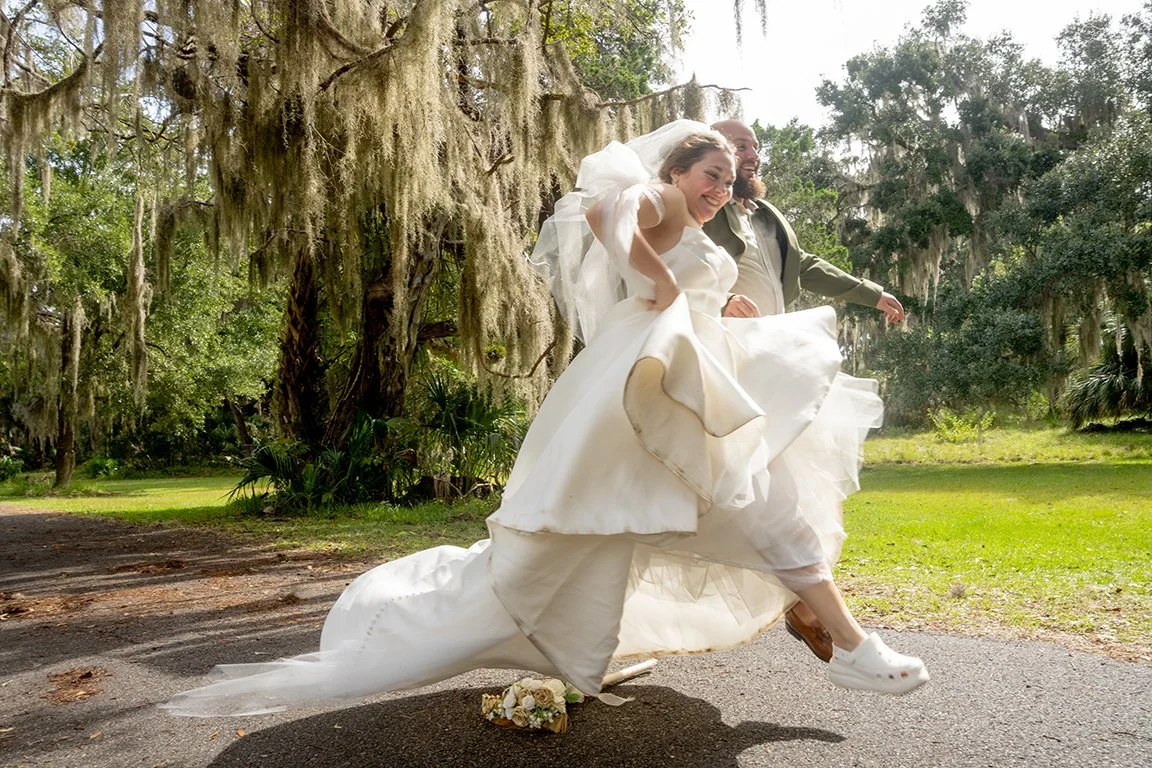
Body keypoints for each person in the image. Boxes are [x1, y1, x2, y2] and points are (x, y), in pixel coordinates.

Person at [162, 121, 927, 719]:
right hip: (651, 385)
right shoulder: (660, 199)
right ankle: (852, 646)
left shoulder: (694, 223)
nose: (721, 189)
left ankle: (824, 643)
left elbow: (678, 274)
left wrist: (718, 301)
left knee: (690, 520)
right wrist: (660, 283)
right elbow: (604, 213)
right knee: (686, 517)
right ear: (677, 170)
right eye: (711, 175)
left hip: (687, 378)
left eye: (729, 180)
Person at [705, 119, 906, 663]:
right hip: (726, 361)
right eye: (738, 146)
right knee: (759, 488)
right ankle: (806, 605)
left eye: (753, 145)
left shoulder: (767, 213)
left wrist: (872, 293)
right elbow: (669, 268)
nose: (751, 154)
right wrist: (716, 302)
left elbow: (805, 267)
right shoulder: (697, 207)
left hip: (776, 361)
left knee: (796, 486)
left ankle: (804, 601)